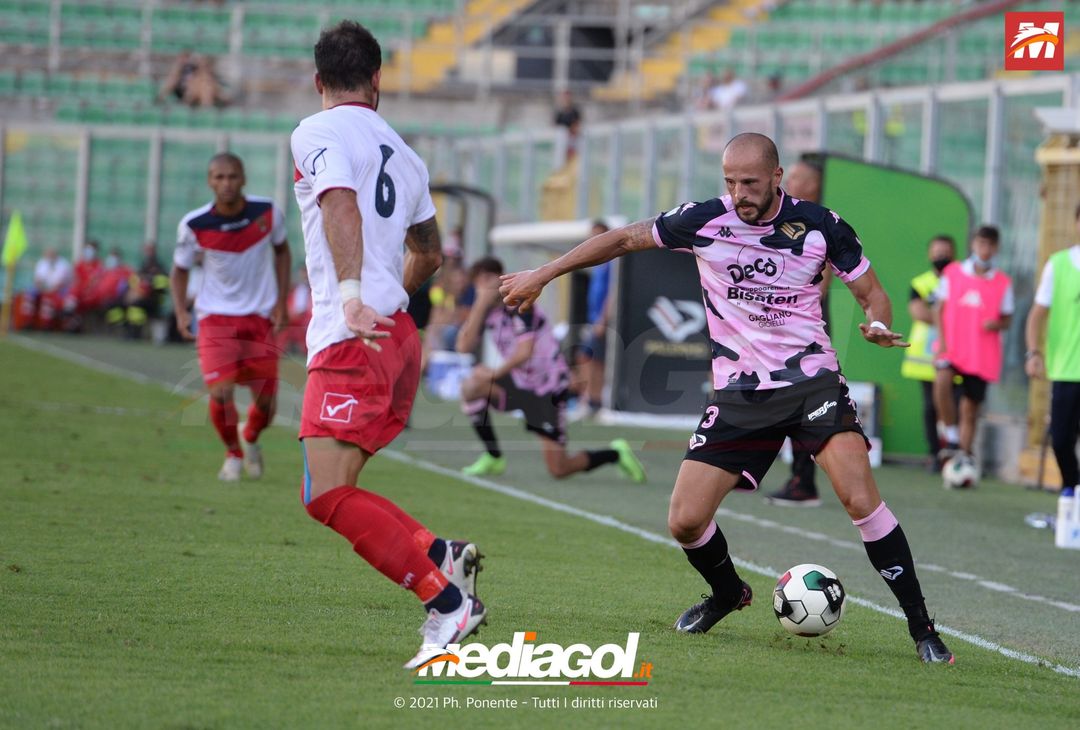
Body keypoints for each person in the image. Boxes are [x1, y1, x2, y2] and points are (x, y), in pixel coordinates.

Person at [500, 132, 954, 664]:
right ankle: (727, 593)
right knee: (685, 520)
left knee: (859, 498)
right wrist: (545, 272)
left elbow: (871, 292)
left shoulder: (821, 226)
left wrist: (876, 322)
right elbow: (622, 239)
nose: (740, 193)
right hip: (740, 394)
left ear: (777, 177)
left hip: (811, 384)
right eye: (731, 182)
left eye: (750, 183)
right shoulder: (704, 220)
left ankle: (922, 628)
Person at [290, 20, 485, 671]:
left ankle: (446, 601)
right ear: (377, 80)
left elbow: (339, 203)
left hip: (353, 335)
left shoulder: (315, 132)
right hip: (397, 335)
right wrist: (388, 298)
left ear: (318, 81)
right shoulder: (405, 154)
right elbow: (428, 252)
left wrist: (353, 296)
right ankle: (440, 555)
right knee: (335, 487)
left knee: (324, 494)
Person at [456, 256, 645, 482]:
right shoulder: (487, 311)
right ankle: (493, 456)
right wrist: (479, 304)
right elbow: (463, 347)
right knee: (471, 387)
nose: (485, 286)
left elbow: (524, 352)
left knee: (559, 468)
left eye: (488, 278)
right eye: (479, 282)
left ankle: (616, 453)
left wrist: (494, 374)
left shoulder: (519, 303)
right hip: (520, 384)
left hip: (548, 389)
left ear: (501, 278)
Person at [169, 152, 291, 482]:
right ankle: (233, 454)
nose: (226, 183)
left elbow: (282, 251)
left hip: (259, 318)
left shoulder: (267, 213)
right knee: (220, 393)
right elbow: (179, 270)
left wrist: (282, 302)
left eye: (232, 176)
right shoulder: (194, 224)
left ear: (244, 179)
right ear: (209, 181)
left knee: (266, 406)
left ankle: (249, 436)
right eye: (219, 177)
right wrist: (180, 312)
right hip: (215, 319)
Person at [765, 153, 826, 507]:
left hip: (803, 330)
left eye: (799, 177)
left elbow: (821, 283)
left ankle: (804, 483)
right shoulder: (783, 218)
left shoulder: (820, 223)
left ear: (815, 185)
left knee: (801, 405)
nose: (790, 182)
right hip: (779, 328)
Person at [932, 225, 1013, 474]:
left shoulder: (1002, 282)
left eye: (989, 245)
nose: (984, 249)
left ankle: (964, 457)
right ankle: (951, 435)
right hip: (953, 346)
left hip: (981, 353)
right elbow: (938, 308)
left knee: (969, 409)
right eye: (981, 243)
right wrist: (942, 341)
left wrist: (996, 324)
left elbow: (1007, 319)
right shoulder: (953, 273)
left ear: (996, 248)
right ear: (973, 245)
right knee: (942, 381)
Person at [1025, 202, 1080, 500]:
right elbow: (1037, 314)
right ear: (1076, 223)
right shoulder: (1058, 264)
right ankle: (1072, 489)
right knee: (1060, 439)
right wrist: (1033, 353)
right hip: (1066, 369)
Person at [900, 235, 956, 471]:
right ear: (929, 254)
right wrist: (949, 317)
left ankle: (955, 452)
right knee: (930, 407)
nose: (941, 257)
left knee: (955, 406)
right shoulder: (920, 284)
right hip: (926, 357)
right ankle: (935, 454)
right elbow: (918, 312)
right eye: (937, 252)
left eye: (946, 252)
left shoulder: (960, 281)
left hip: (956, 354)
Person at [573, 220, 613, 419]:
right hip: (593, 319)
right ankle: (592, 400)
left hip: (602, 321)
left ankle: (593, 400)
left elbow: (613, 293)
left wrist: (602, 320)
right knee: (591, 358)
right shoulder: (598, 262)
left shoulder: (612, 261)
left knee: (589, 357)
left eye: (597, 235)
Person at [30, 247, 73, 330]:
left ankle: (47, 323)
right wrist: (42, 288)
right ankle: (28, 321)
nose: (49, 256)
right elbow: (37, 280)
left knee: (48, 299)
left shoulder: (63, 265)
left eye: (51, 254)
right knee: (30, 294)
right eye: (47, 254)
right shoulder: (42, 262)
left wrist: (49, 291)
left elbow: (60, 283)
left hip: (60, 289)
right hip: (44, 288)